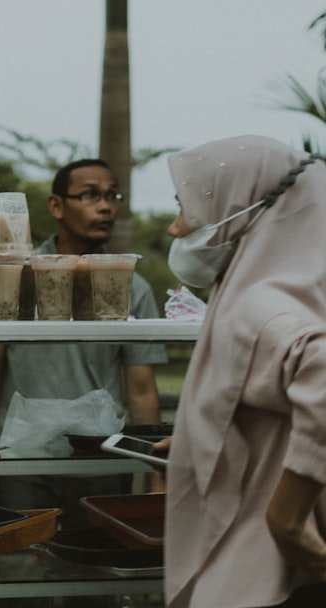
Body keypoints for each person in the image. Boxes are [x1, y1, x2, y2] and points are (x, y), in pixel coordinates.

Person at [161, 136, 325, 608]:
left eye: (186, 209)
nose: (175, 229)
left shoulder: (261, 305)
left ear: (243, 210)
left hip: (261, 573)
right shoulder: (303, 295)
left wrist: (287, 519)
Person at [0, 159, 167, 530]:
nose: (105, 207)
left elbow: (140, 388)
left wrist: (156, 470)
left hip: (101, 459)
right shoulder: (15, 274)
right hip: (20, 459)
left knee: (95, 572)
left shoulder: (130, 288)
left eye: (112, 196)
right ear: (56, 206)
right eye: (90, 195)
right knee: (20, 573)